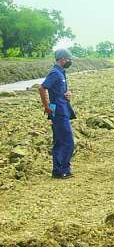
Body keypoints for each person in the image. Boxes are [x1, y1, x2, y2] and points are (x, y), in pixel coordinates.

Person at [38, 49, 76, 179]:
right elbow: (42, 88)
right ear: (62, 59)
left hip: (62, 109)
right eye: (68, 59)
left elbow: (59, 91)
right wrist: (46, 106)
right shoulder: (55, 72)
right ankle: (62, 170)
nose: (70, 61)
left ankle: (58, 170)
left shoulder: (61, 73)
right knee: (67, 141)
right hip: (58, 111)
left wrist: (68, 94)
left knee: (60, 141)